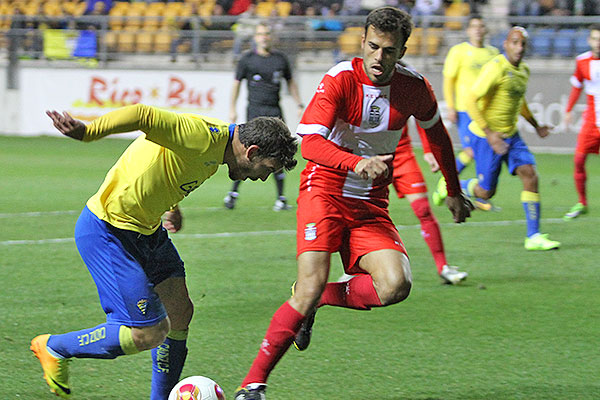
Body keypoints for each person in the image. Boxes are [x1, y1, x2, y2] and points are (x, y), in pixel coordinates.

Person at [234, 7, 473, 399]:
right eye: (373, 47)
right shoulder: (341, 79)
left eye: (390, 51)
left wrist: (453, 188)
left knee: (397, 284)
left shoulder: (415, 88)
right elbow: (308, 142)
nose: (379, 58)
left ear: (402, 51)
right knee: (307, 287)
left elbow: (439, 138)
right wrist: (356, 161)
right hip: (323, 191)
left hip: (369, 204)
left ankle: (316, 301)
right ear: (363, 41)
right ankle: (253, 385)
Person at [31, 104, 297, 400]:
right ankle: (56, 346)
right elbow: (143, 116)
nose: (262, 178)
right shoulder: (203, 135)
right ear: (252, 151)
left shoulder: (218, 151)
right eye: (267, 170)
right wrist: (89, 132)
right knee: (147, 334)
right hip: (109, 230)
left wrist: (171, 204)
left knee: (180, 312)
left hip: (147, 231)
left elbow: (164, 161)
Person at [459, 27, 561, 251]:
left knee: (530, 175)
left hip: (511, 135)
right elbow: (470, 100)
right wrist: (489, 134)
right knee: (486, 192)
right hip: (486, 136)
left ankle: (533, 236)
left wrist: (536, 126)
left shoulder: (523, 70)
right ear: (506, 44)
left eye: (523, 44)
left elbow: (519, 102)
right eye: (515, 43)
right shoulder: (495, 68)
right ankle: (458, 185)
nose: (519, 48)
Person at [225, 22, 304, 211]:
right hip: (255, 111)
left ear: (271, 36)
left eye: (267, 33)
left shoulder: (280, 59)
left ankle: (281, 198)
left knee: (278, 152)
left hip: (274, 111)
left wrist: (299, 103)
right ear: (255, 37)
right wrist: (232, 108)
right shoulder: (247, 59)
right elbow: (236, 84)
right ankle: (233, 194)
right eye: (260, 33)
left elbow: (291, 81)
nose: (264, 37)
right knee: (249, 153)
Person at [432, 15, 499, 210]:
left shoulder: (493, 53)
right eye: (474, 26)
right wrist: (451, 106)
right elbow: (448, 80)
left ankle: (477, 194)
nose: (478, 30)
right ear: (468, 30)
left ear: (486, 30)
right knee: (472, 151)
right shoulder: (459, 51)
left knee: (482, 153)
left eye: (481, 26)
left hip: (485, 113)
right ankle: (446, 185)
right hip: (464, 110)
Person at [563, 25, 600, 220]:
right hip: (591, 122)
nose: (598, 42)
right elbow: (577, 87)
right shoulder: (582, 61)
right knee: (578, 160)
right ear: (589, 40)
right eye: (595, 38)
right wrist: (568, 109)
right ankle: (582, 202)